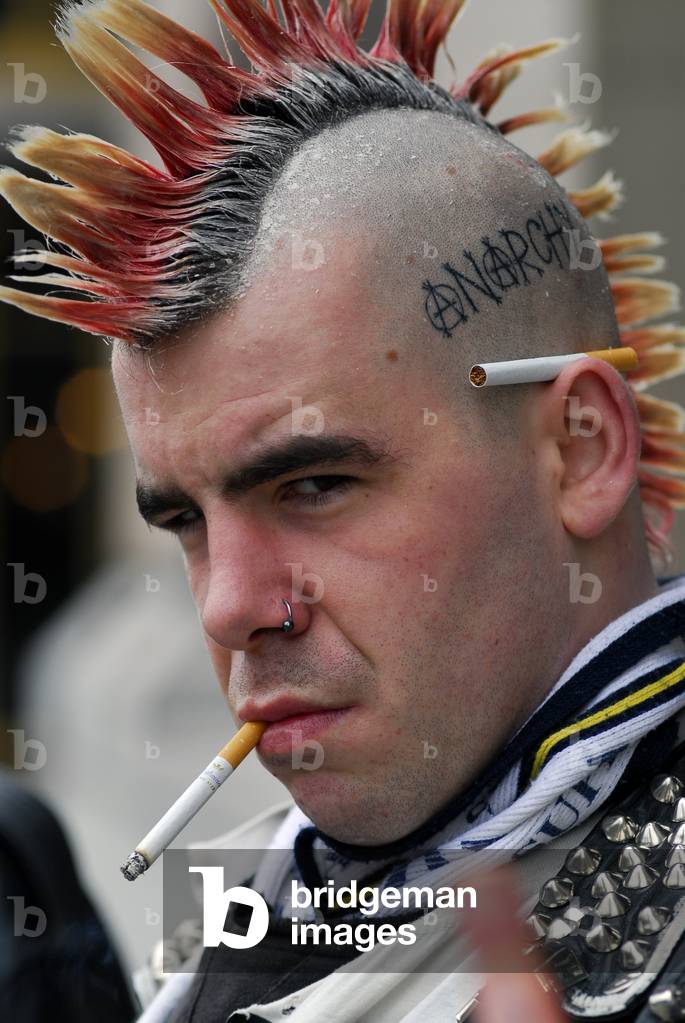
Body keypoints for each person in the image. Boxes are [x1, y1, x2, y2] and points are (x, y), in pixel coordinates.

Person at [2, 1, 685, 1020]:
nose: (232, 607)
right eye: (184, 520)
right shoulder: (253, 926)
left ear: (578, 452)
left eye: (314, 486)